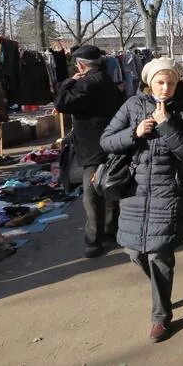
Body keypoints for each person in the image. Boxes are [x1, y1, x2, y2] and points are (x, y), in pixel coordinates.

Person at [100, 57, 183, 342]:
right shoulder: (132, 106)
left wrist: (167, 124)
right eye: (160, 82)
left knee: (159, 253)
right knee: (134, 251)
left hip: (168, 192)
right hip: (133, 191)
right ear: (149, 83)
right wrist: (135, 132)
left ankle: (161, 317)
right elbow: (106, 141)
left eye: (171, 82)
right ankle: (163, 292)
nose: (166, 88)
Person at [54, 45, 123, 258]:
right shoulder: (109, 81)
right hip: (112, 143)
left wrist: (69, 81)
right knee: (111, 189)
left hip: (93, 147)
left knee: (92, 195)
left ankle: (94, 242)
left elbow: (60, 103)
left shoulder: (85, 84)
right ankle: (111, 231)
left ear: (80, 65)